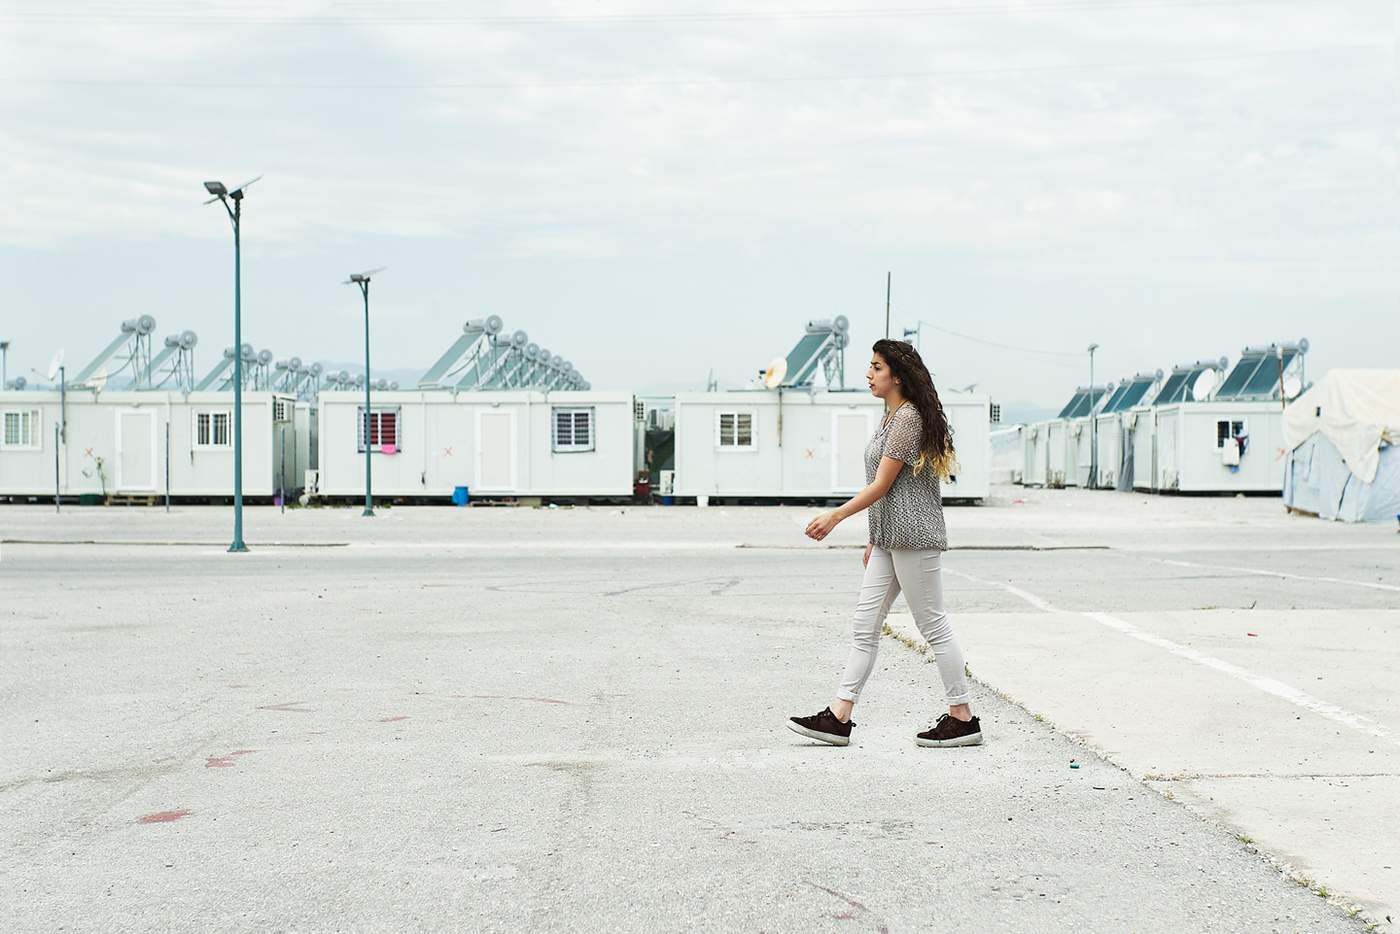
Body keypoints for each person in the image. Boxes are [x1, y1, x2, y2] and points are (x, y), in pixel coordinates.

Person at [787, 339, 981, 748]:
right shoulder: (889, 415)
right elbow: (887, 490)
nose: (869, 374)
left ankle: (962, 717)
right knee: (865, 625)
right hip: (890, 539)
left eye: (876, 367)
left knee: (933, 625)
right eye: (870, 367)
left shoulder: (908, 417)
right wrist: (875, 538)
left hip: (914, 536)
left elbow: (881, 485)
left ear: (897, 375)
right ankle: (839, 716)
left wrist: (835, 516)